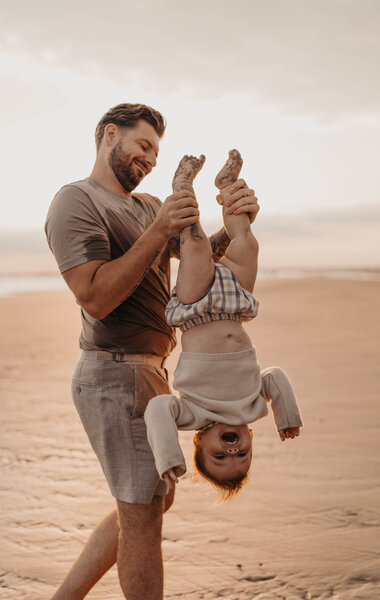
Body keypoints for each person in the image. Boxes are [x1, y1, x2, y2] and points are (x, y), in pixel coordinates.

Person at [44, 103, 260, 600]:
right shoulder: (76, 201)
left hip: (154, 371)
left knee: (148, 504)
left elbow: (204, 260)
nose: (151, 160)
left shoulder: (145, 206)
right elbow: (96, 297)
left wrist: (238, 222)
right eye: (143, 146)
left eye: (157, 152)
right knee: (141, 513)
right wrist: (160, 230)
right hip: (113, 371)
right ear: (108, 134)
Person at [144, 150, 303, 501]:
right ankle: (227, 186)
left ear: (199, 441)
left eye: (219, 457)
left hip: (196, 306)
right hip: (234, 304)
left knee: (196, 244)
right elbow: (274, 377)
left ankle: (182, 186)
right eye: (242, 455)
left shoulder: (193, 416)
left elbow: (158, 409)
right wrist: (285, 415)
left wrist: (169, 455)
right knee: (246, 241)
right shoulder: (254, 408)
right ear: (250, 441)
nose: (232, 451)